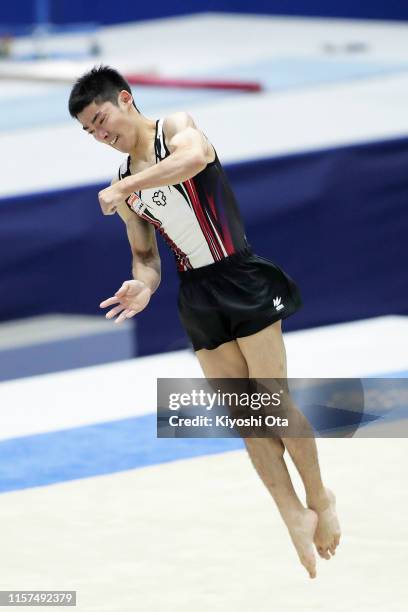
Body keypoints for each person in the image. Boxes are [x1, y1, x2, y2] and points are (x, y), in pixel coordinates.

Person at [68, 65, 341, 578]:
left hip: (240, 274)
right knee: (246, 417)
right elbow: (146, 258)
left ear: (126, 100)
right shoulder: (124, 186)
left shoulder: (175, 128)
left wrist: (124, 190)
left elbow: (195, 160)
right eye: (89, 131)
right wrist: (142, 286)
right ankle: (290, 514)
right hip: (195, 293)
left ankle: (319, 496)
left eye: (101, 120)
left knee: (271, 400)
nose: (100, 135)